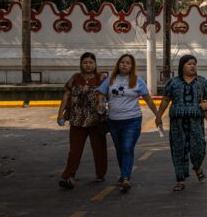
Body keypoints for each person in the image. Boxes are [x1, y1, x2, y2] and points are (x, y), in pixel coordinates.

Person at [99, 53, 160, 193]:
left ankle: (126, 177)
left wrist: (157, 115)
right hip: (114, 121)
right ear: (118, 64)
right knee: (120, 149)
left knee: (127, 147)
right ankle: (123, 174)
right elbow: (100, 93)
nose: (124, 65)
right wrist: (101, 103)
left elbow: (148, 99)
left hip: (132, 120)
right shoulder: (110, 80)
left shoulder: (138, 81)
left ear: (132, 66)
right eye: (122, 62)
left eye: (128, 63)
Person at [156, 54, 207, 192]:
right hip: (177, 122)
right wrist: (159, 116)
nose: (192, 66)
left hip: (196, 121)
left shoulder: (202, 82)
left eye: (194, 63)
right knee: (178, 150)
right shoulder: (173, 82)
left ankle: (197, 167)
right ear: (182, 66)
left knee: (199, 149)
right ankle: (180, 180)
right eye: (189, 64)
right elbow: (165, 100)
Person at [57, 52, 107, 189]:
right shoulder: (75, 78)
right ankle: (68, 176)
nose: (88, 65)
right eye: (85, 62)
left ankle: (100, 174)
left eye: (91, 62)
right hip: (77, 120)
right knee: (74, 150)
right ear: (81, 64)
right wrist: (60, 114)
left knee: (99, 149)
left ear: (95, 64)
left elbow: (106, 94)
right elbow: (66, 95)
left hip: (95, 119)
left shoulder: (100, 78)